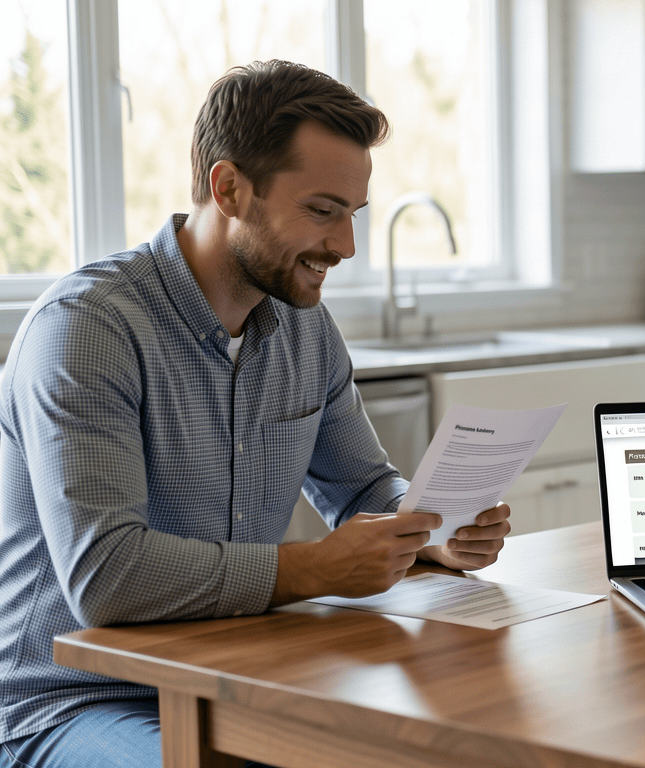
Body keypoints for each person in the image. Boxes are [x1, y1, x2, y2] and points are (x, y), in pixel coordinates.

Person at [0, 60, 511, 767]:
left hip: (234, 676)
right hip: (71, 703)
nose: (345, 246)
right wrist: (315, 570)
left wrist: (433, 529)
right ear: (230, 189)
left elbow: (364, 489)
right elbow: (106, 578)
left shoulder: (305, 329)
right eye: (322, 211)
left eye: (353, 215)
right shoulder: (87, 329)